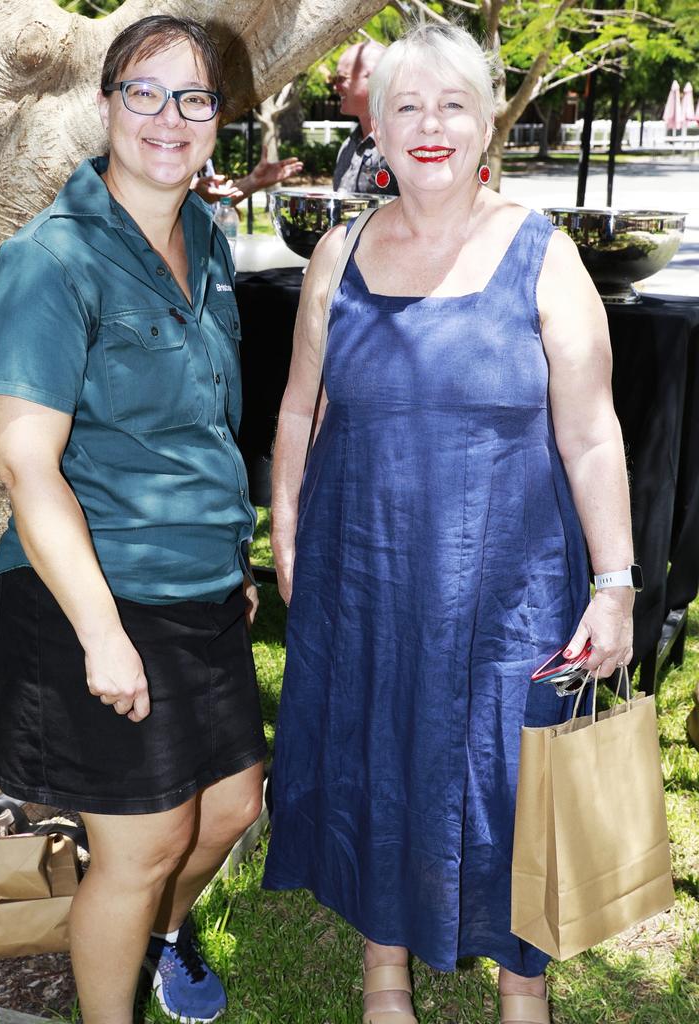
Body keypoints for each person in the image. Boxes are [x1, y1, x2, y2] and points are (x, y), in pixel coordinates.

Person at [263, 24, 638, 1024]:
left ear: (486, 124)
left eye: (452, 106)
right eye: (407, 107)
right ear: (375, 126)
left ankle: (525, 987)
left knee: (513, 779)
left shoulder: (543, 255)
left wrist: (616, 581)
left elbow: (594, 433)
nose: (430, 128)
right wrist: (290, 539)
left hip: (512, 586)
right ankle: (385, 968)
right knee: (377, 757)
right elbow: (302, 410)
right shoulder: (336, 254)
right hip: (365, 576)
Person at [0, 15, 266, 1024]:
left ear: (217, 121)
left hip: (197, 587)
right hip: (87, 591)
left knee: (230, 807)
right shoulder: (49, 260)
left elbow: (202, 426)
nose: (167, 117)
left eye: (193, 98)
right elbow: (25, 462)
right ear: (106, 106)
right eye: (144, 91)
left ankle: (154, 934)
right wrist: (102, 636)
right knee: (142, 841)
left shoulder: (210, 243)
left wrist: (231, 559)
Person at [332, 40, 399, 195]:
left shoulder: (402, 146)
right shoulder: (348, 146)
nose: (336, 87)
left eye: (341, 78)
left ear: (377, 79)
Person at [192, 146, 303, 205]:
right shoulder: (177, 163)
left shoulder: (206, 162)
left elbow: (224, 202)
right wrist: (189, 195)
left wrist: (254, 182)